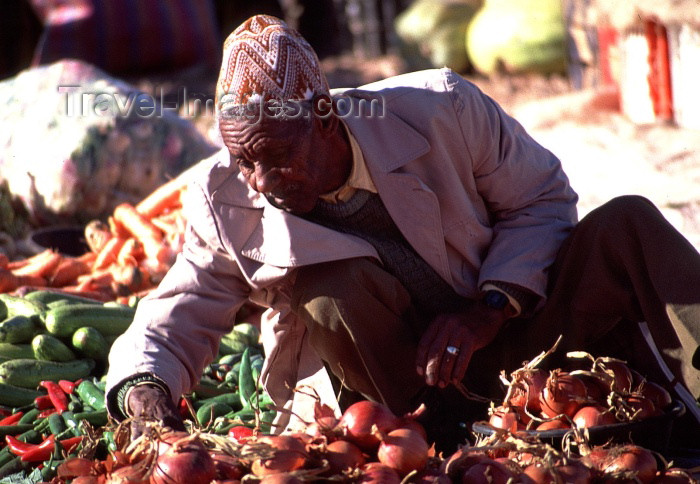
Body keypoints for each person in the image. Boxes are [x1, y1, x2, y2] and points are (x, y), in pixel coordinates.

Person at [105, 14, 700, 451]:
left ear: (323, 116)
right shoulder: (224, 197)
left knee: (629, 222)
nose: (260, 180)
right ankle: (440, 443)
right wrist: (144, 390)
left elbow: (543, 199)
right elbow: (180, 307)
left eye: (276, 156)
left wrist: (491, 306)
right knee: (329, 288)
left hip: (524, 337)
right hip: (404, 391)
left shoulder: (441, 110)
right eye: (243, 160)